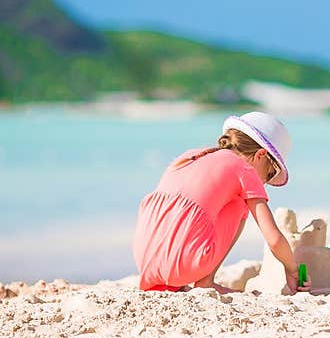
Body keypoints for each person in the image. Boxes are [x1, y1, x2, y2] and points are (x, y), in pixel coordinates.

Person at [132, 111, 312, 294]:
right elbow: (274, 239)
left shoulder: (193, 156)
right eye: (270, 173)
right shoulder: (245, 170)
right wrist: (292, 270)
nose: (265, 181)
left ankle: (174, 281)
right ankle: (206, 281)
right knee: (241, 204)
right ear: (261, 155)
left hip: (145, 261)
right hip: (186, 264)